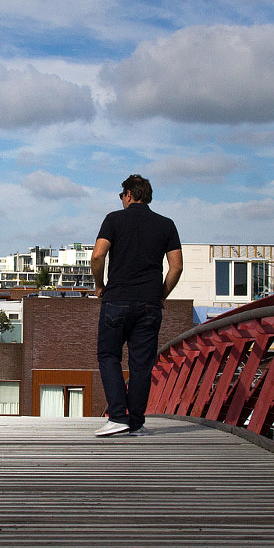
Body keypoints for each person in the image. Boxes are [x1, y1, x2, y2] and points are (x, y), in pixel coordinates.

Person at [90, 174, 182, 436]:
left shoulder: (114, 220)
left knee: (109, 356)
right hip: (149, 305)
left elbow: (98, 255)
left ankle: (118, 416)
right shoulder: (166, 225)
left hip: (117, 300)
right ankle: (136, 423)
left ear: (129, 194)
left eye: (121, 195)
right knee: (142, 365)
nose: (121, 200)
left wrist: (100, 284)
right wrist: (162, 294)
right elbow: (176, 267)